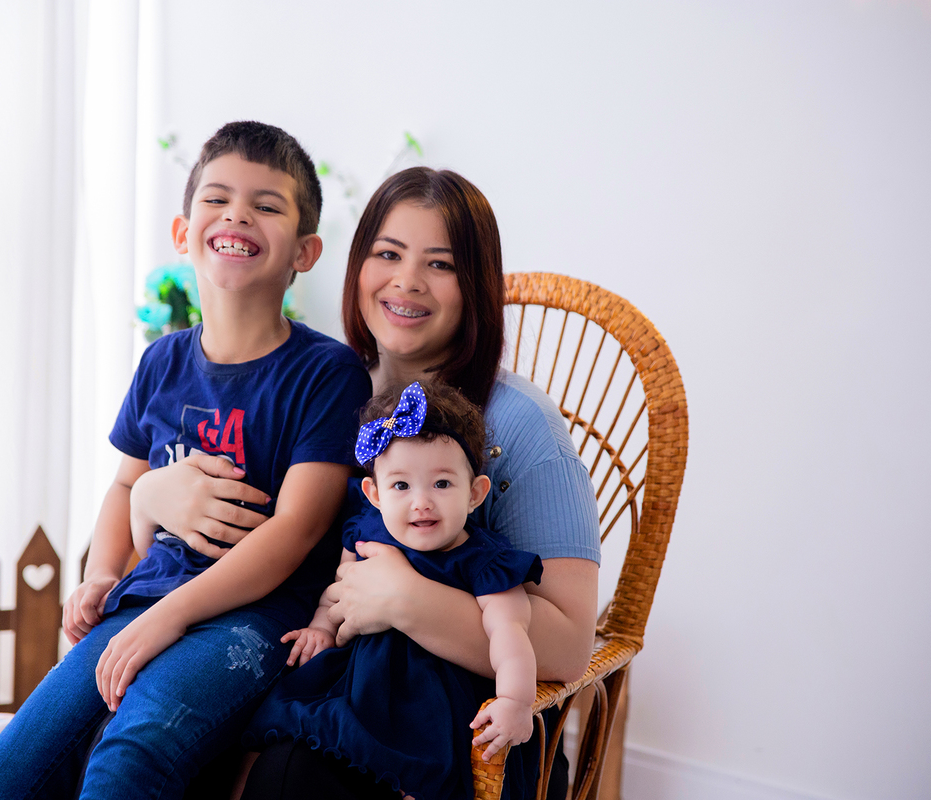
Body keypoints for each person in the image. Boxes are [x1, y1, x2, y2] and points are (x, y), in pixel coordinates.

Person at [134, 167, 602, 800]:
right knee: (159, 742)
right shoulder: (325, 387)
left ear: (477, 286)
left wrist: (406, 599)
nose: (406, 281)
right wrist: (148, 493)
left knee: (287, 780)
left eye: (440, 264)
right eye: (387, 254)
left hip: (454, 728)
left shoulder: (523, 428)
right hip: (315, 674)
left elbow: (573, 645)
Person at [0, 121, 371, 800]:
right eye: (218, 198)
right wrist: (103, 574)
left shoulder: (328, 373)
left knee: (131, 756)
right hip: (144, 601)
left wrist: (167, 618)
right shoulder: (162, 361)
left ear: (306, 251)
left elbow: (295, 532)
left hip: (255, 619)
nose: (238, 214)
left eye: (266, 205)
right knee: (2, 777)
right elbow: (126, 484)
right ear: (183, 234)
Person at [240, 380, 542, 800]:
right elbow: (338, 593)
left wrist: (515, 699)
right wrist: (322, 628)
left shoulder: (484, 562)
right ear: (374, 494)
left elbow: (511, 635)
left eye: (441, 484)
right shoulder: (367, 535)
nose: (421, 502)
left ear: (475, 494)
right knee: (277, 757)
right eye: (401, 486)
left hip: (430, 706)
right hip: (358, 689)